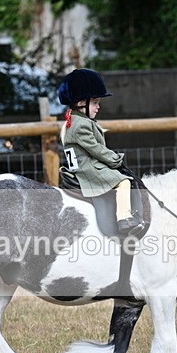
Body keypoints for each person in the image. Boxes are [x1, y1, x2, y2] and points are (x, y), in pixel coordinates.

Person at [57, 68, 144, 235]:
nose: (98, 107)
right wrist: (115, 159)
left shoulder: (74, 120)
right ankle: (124, 219)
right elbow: (96, 149)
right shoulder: (81, 124)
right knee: (124, 182)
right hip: (88, 169)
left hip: (84, 165)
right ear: (81, 102)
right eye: (95, 102)